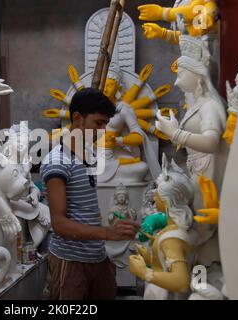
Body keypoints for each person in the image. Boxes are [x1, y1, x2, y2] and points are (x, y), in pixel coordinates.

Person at [40, 88, 140, 300]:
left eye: (105, 123)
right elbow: (59, 223)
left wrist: (118, 229)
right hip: (71, 262)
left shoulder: (89, 154)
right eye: (98, 123)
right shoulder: (57, 161)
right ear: (78, 118)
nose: (103, 130)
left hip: (97, 257)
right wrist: (107, 233)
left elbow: (85, 208)